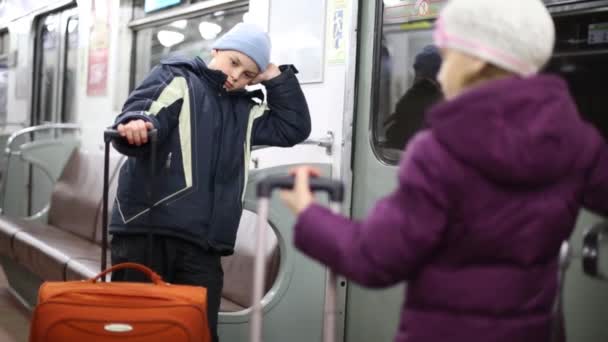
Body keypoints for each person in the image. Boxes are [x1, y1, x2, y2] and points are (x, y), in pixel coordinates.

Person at [280, 0, 608, 341]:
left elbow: (374, 257)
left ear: (475, 60)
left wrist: (307, 212)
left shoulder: (440, 152)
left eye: (448, 56)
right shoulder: (577, 142)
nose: (441, 71)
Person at [109, 22, 311, 342]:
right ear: (215, 50)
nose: (236, 76)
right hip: (147, 230)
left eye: (247, 74)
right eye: (234, 62)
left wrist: (274, 75)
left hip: (203, 243)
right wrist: (136, 125)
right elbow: (144, 112)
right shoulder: (176, 77)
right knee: (136, 329)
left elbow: (293, 127)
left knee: (197, 331)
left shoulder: (245, 111)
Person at [384, 45, 443, 150]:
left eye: (417, 70)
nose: (415, 75)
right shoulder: (443, 100)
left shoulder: (413, 98)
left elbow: (394, 134)